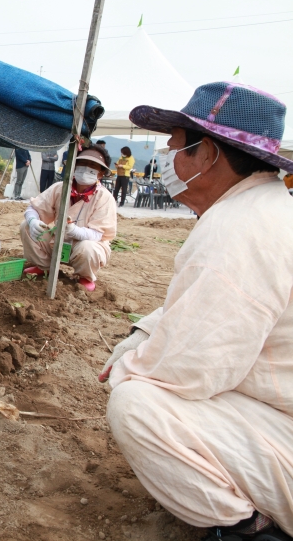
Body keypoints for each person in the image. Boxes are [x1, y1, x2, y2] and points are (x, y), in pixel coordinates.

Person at [101, 82, 293, 541]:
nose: (168, 162)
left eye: (173, 149)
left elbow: (189, 370)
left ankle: (249, 529)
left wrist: (129, 366)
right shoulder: (266, 209)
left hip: (283, 424)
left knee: (137, 406)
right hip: (277, 402)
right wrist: (145, 332)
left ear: (206, 155)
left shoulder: (237, 230)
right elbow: (191, 303)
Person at [19, 144, 116, 291]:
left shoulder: (105, 197)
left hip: (83, 246)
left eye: (92, 166)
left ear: (101, 173)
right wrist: (33, 221)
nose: (85, 170)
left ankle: (84, 276)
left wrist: (74, 231)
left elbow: (98, 234)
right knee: (25, 226)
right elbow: (34, 208)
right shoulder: (60, 187)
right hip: (57, 240)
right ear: (74, 166)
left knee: (88, 248)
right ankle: (45, 267)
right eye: (82, 164)